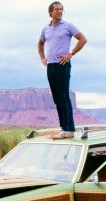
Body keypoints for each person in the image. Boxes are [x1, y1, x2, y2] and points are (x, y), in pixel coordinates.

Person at [38, 1, 87, 139]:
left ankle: (69, 129)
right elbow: (40, 43)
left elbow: (82, 39)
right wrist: (42, 58)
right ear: (50, 13)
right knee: (57, 98)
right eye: (57, 9)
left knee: (64, 96)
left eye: (61, 9)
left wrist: (71, 54)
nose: (59, 11)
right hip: (51, 66)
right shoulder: (45, 29)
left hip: (62, 64)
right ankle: (64, 128)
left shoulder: (68, 26)